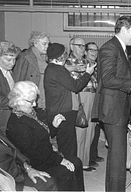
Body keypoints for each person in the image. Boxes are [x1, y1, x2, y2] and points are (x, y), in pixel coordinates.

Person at [91, 15, 131, 191]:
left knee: (117, 157)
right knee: (118, 158)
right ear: (124, 30)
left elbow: (119, 76)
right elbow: (108, 79)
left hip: (117, 109)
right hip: (113, 110)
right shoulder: (110, 48)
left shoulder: (120, 48)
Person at [6, 81, 85, 191]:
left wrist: (53, 126)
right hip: (35, 162)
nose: (35, 104)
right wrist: (60, 160)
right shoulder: (17, 124)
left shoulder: (31, 112)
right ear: (18, 101)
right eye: (31, 101)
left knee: (76, 162)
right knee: (66, 170)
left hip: (46, 154)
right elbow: (35, 151)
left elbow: (43, 135)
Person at [44, 43, 95, 157]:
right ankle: (69, 171)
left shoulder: (51, 68)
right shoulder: (58, 70)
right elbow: (75, 86)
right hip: (63, 112)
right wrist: (88, 74)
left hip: (58, 110)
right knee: (68, 147)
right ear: (61, 56)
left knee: (65, 145)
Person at [64, 37, 97, 171]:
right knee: (80, 130)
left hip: (92, 95)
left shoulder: (85, 60)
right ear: (71, 46)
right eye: (79, 46)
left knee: (90, 130)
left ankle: (85, 161)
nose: (82, 48)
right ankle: (78, 162)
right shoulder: (67, 61)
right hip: (80, 96)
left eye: (84, 46)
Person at [13, 31, 50, 109]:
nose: (47, 46)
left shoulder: (46, 57)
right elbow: (17, 79)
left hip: (44, 98)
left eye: (48, 44)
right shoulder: (25, 57)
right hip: (29, 99)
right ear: (35, 44)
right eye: (44, 44)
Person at [86, 42, 105, 168]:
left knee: (96, 131)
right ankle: (87, 158)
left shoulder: (97, 66)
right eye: (91, 50)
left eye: (96, 50)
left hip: (97, 100)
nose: (94, 53)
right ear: (86, 52)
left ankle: (93, 154)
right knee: (89, 132)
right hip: (88, 100)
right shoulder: (84, 65)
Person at [0, 41, 19, 134]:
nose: (12, 63)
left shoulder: (6, 70)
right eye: (8, 60)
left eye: (14, 59)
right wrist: (18, 102)